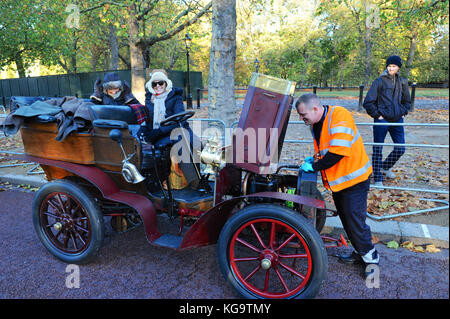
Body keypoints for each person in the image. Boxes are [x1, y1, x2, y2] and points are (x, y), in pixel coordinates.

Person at [295, 93, 379, 279]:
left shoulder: (339, 115)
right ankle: (361, 254)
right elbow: (325, 150)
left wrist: (315, 166)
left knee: (356, 222)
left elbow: (337, 153)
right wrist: (315, 159)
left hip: (354, 181)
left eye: (303, 115)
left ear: (315, 109)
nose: (301, 119)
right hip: (341, 183)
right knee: (349, 220)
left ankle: (372, 261)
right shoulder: (317, 123)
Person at [138, 69, 200, 187]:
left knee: (196, 143)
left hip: (174, 129)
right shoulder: (149, 99)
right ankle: (194, 182)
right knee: (180, 141)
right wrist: (146, 130)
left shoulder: (175, 97)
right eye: (154, 84)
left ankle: (201, 174)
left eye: (160, 83)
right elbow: (148, 120)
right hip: (161, 135)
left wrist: (159, 131)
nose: (158, 86)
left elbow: (179, 118)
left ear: (166, 83)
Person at [363, 55, 411, 186]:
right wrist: (378, 116)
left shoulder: (403, 82)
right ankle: (377, 178)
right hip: (382, 120)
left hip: (397, 120)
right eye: (389, 66)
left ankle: (385, 167)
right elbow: (368, 102)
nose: (391, 68)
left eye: (394, 66)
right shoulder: (379, 81)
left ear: (398, 68)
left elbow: (407, 101)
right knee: (378, 149)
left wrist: (402, 112)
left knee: (400, 148)